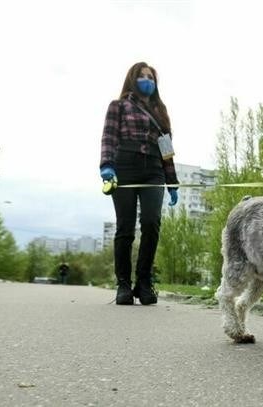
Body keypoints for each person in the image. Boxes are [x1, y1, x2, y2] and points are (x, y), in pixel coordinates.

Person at [99, 62, 179, 305]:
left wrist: (172, 181)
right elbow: (109, 137)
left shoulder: (160, 112)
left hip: (154, 170)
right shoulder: (119, 106)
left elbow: (167, 150)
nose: (148, 81)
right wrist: (107, 166)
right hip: (124, 168)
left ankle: (143, 281)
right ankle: (123, 284)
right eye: (143, 77)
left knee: (151, 223)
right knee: (125, 227)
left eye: (151, 78)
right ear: (133, 79)